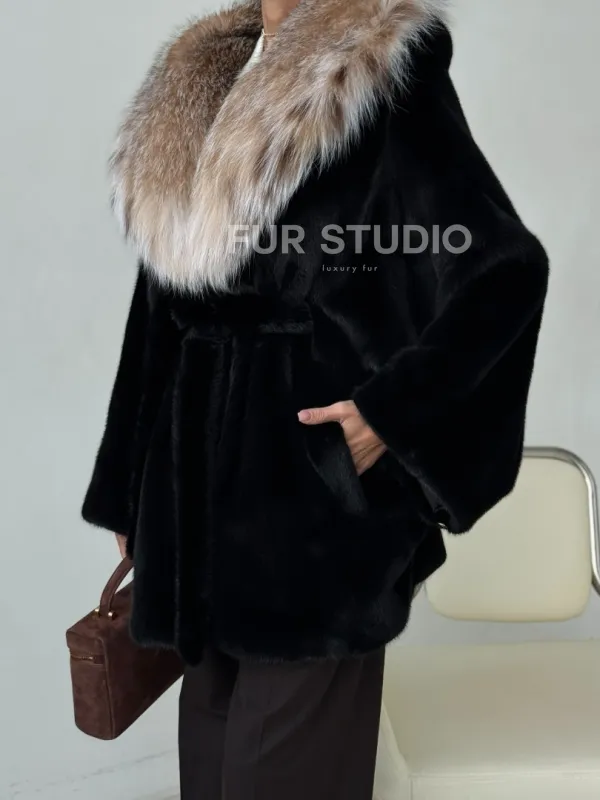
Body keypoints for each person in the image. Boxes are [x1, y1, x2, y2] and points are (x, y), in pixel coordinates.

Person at [82, 0, 549, 797]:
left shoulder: (379, 63)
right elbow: (157, 306)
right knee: (211, 770)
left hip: (312, 515)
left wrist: (386, 418)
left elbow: (504, 275)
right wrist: (129, 486)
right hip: (191, 508)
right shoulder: (202, 77)